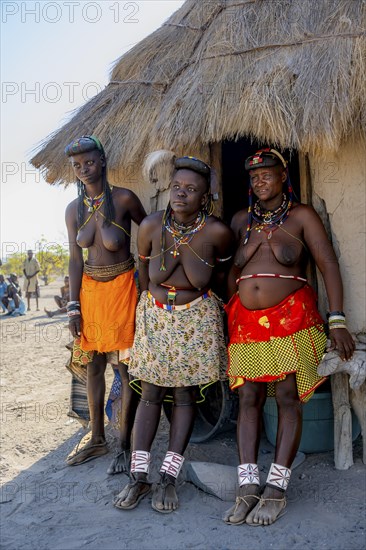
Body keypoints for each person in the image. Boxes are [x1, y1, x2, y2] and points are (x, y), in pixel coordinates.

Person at [223, 148, 355, 526]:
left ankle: (277, 489)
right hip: (246, 324)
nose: (259, 181)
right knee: (247, 396)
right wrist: (231, 306)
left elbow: (328, 263)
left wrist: (337, 319)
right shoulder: (241, 222)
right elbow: (229, 271)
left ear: (284, 177)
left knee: (286, 395)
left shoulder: (301, 216)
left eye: (267, 174)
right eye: (254, 177)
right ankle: (247, 486)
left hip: (290, 319)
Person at [113, 154, 233, 513]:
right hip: (156, 318)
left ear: (204, 197)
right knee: (150, 393)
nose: (181, 194)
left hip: (196, 320)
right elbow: (142, 273)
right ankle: (139, 477)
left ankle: (168, 477)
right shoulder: (150, 226)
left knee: (184, 396)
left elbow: (224, 279)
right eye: (176, 186)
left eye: (191, 189)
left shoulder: (217, 232)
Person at [64, 135, 147, 472]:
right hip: (89, 293)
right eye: (77, 165)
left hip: (123, 288)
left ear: (102, 161)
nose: (84, 169)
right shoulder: (73, 210)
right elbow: (74, 258)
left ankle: (125, 445)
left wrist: (149, 274)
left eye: (89, 162)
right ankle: (98, 437)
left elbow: (154, 228)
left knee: (124, 368)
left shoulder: (124, 198)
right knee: (94, 365)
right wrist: (73, 305)